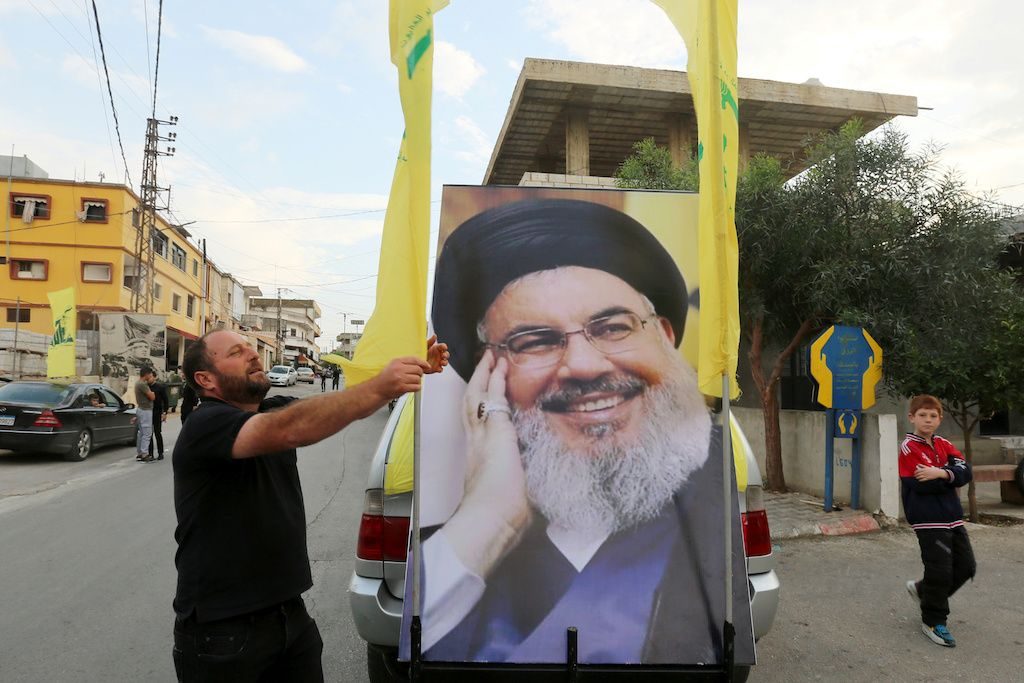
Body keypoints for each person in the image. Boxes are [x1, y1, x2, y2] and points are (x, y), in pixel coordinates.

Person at [418, 199, 752, 665]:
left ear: (665, 336)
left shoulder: (720, 497)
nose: (585, 366)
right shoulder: (450, 540)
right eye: (535, 341)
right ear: (487, 372)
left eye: (613, 328)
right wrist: (490, 520)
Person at [171, 329, 448, 682]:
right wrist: (381, 387)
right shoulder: (204, 424)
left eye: (251, 348)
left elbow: (336, 407)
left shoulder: (269, 409)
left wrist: (409, 369)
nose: (253, 355)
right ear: (205, 379)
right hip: (223, 632)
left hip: (288, 615)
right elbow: (291, 427)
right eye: (236, 353)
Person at [899, 394, 975, 648]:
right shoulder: (908, 448)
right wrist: (951, 476)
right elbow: (921, 485)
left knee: (966, 566)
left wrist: (940, 473)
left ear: (940, 419)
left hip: (953, 517)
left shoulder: (944, 444)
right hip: (928, 519)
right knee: (940, 571)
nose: (928, 420)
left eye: (933, 416)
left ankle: (924, 591)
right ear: (912, 417)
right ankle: (933, 620)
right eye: (922, 415)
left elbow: (966, 472)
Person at [134, 367, 157, 463]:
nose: (151, 376)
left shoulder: (138, 383)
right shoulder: (142, 384)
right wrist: (153, 393)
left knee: (141, 433)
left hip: (140, 409)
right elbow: (152, 397)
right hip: (145, 410)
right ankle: (145, 454)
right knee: (147, 433)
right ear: (146, 374)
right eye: (150, 374)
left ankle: (140, 453)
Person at [149, 374, 170, 461]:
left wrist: (164, 412)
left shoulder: (160, 387)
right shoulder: (146, 387)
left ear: (154, 377)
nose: (149, 379)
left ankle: (160, 453)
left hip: (157, 412)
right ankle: (150, 453)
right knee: (149, 434)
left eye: (150, 377)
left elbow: (166, 400)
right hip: (148, 412)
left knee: (157, 432)